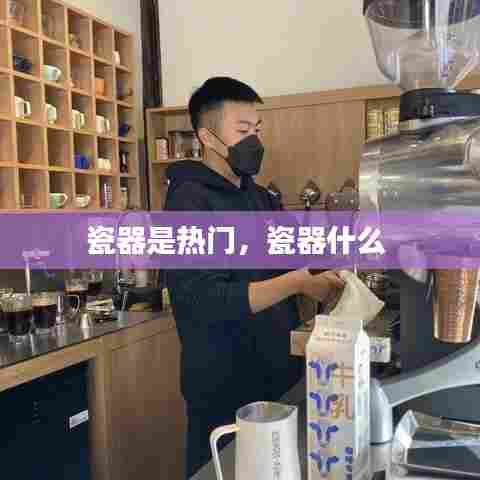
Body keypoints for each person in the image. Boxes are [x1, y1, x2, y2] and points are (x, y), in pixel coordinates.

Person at [164, 76, 344, 479]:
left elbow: (297, 253)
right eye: (243, 130)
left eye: (257, 129)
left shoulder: (259, 197)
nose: (254, 141)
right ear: (207, 137)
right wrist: (298, 282)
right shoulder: (187, 203)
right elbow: (204, 300)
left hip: (277, 373)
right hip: (223, 384)